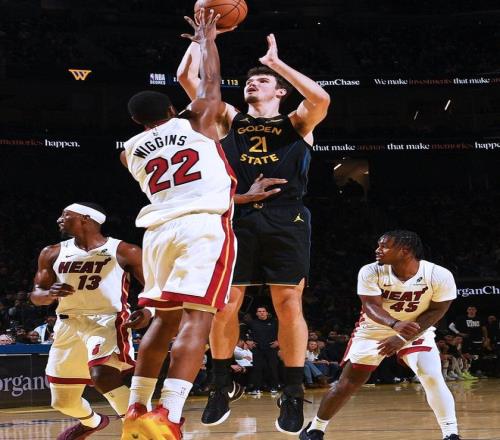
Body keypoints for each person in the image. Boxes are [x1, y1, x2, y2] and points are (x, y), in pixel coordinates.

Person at [177, 29, 330, 433]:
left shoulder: (297, 122)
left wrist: (276, 64)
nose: (252, 83)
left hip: (286, 216)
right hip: (238, 216)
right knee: (226, 303)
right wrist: (201, 39)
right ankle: (221, 383)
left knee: (288, 302)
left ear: (280, 92)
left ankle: (292, 390)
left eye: (262, 80)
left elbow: (321, 98)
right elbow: (186, 78)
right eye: (250, 80)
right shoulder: (228, 119)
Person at [120, 10, 236, 440]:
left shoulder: (129, 151)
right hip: (201, 229)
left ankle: (136, 409)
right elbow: (210, 83)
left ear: (137, 122)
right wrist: (208, 40)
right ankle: (168, 413)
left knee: (162, 321)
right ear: (172, 109)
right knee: (197, 319)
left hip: (157, 233)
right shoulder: (198, 118)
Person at [301, 230, 461, 440]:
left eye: (384, 246)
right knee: (348, 383)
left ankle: (451, 433)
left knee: (431, 375)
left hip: (415, 330)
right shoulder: (370, 271)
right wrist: (395, 325)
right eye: (379, 245)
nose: (378, 250)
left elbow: (437, 311)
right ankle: (315, 428)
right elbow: (370, 307)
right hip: (373, 331)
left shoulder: (438, 274)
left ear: (405, 250)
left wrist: (402, 337)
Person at [29, 202, 150, 440]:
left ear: (86, 218)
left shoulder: (125, 250)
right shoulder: (51, 252)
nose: (59, 219)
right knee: (63, 402)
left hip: (107, 320)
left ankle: (145, 431)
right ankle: (93, 422)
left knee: (103, 375)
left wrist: (148, 311)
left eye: (65, 215)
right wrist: (49, 293)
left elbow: (153, 287)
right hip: (68, 324)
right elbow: (36, 295)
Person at [245, 306, 280, 394]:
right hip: (257, 348)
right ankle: (256, 388)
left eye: (263, 311)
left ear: (267, 313)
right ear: (256, 313)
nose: (262, 313)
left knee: (272, 368)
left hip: (271, 348)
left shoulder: (274, 322)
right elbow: (242, 332)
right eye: (259, 311)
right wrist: (247, 341)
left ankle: (274, 387)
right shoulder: (252, 323)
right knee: (257, 368)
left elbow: (283, 332)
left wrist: (278, 341)